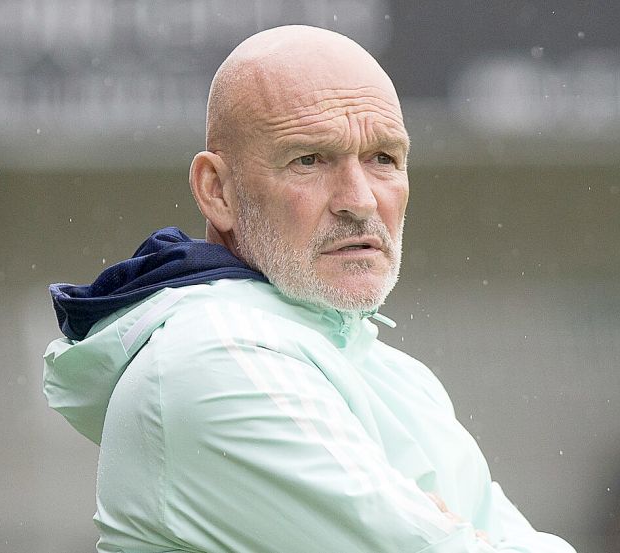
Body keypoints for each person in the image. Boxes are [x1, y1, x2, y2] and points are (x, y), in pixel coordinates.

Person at [44, 25, 576, 553]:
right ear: (217, 190)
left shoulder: (399, 377)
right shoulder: (210, 360)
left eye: (383, 158)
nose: (361, 200)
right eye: (310, 160)